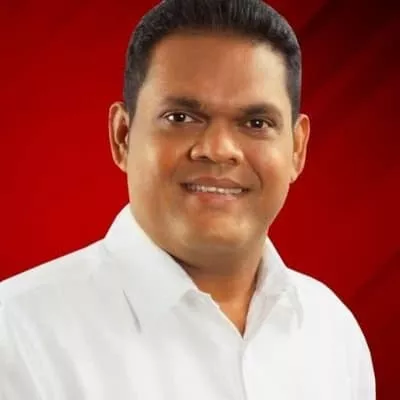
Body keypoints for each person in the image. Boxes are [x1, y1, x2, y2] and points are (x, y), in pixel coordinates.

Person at [0, 0, 375, 399]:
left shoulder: (331, 331)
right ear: (123, 136)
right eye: (180, 118)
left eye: (256, 123)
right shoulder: (17, 336)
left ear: (297, 149)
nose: (219, 149)